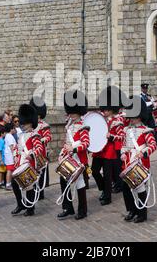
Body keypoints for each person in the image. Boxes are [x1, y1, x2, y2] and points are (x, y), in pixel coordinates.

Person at [121, 96, 157, 223]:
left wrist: (143, 153)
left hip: (140, 162)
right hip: (128, 162)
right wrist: (123, 153)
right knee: (126, 188)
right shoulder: (127, 130)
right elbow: (124, 145)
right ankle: (131, 210)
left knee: (140, 188)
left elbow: (153, 145)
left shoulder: (145, 131)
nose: (131, 119)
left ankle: (142, 213)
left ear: (139, 116)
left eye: (134, 117)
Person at [57, 90, 90, 220]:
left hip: (79, 159)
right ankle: (68, 208)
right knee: (63, 180)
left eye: (72, 111)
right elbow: (67, 142)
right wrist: (62, 152)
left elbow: (86, 143)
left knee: (80, 183)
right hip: (69, 158)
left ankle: (83, 210)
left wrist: (74, 149)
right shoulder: (70, 126)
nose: (70, 114)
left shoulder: (83, 126)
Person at [93, 86, 125, 206]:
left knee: (107, 175)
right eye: (104, 109)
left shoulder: (118, 121)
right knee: (94, 171)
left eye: (107, 110)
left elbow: (121, 136)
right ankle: (103, 189)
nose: (105, 112)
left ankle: (107, 196)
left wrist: (111, 136)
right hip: (99, 150)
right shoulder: (100, 119)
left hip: (109, 151)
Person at [10, 104, 44, 217]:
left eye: (24, 123)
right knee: (15, 184)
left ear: (31, 122)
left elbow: (39, 148)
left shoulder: (35, 135)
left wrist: (32, 154)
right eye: (22, 123)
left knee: (29, 187)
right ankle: (20, 204)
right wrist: (14, 152)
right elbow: (17, 148)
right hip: (20, 163)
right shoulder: (21, 136)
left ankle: (30, 208)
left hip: (30, 164)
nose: (22, 125)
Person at [30, 96, 52, 200]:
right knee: (33, 172)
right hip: (32, 152)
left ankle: (41, 192)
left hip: (41, 153)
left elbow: (48, 137)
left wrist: (40, 140)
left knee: (41, 173)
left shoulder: (44, 125)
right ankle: (35, 190)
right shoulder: (31, 125)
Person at [3, 123, 18, 191]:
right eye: (14, 128)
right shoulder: (10, 136)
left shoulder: (8, 136)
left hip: (8, 156)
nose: (15, 129)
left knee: (10, 170)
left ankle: (9, 183)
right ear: (11, 129)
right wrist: (15, 156)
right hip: (10, 156)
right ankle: (8, 184)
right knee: (9, 170)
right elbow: (12, 148)